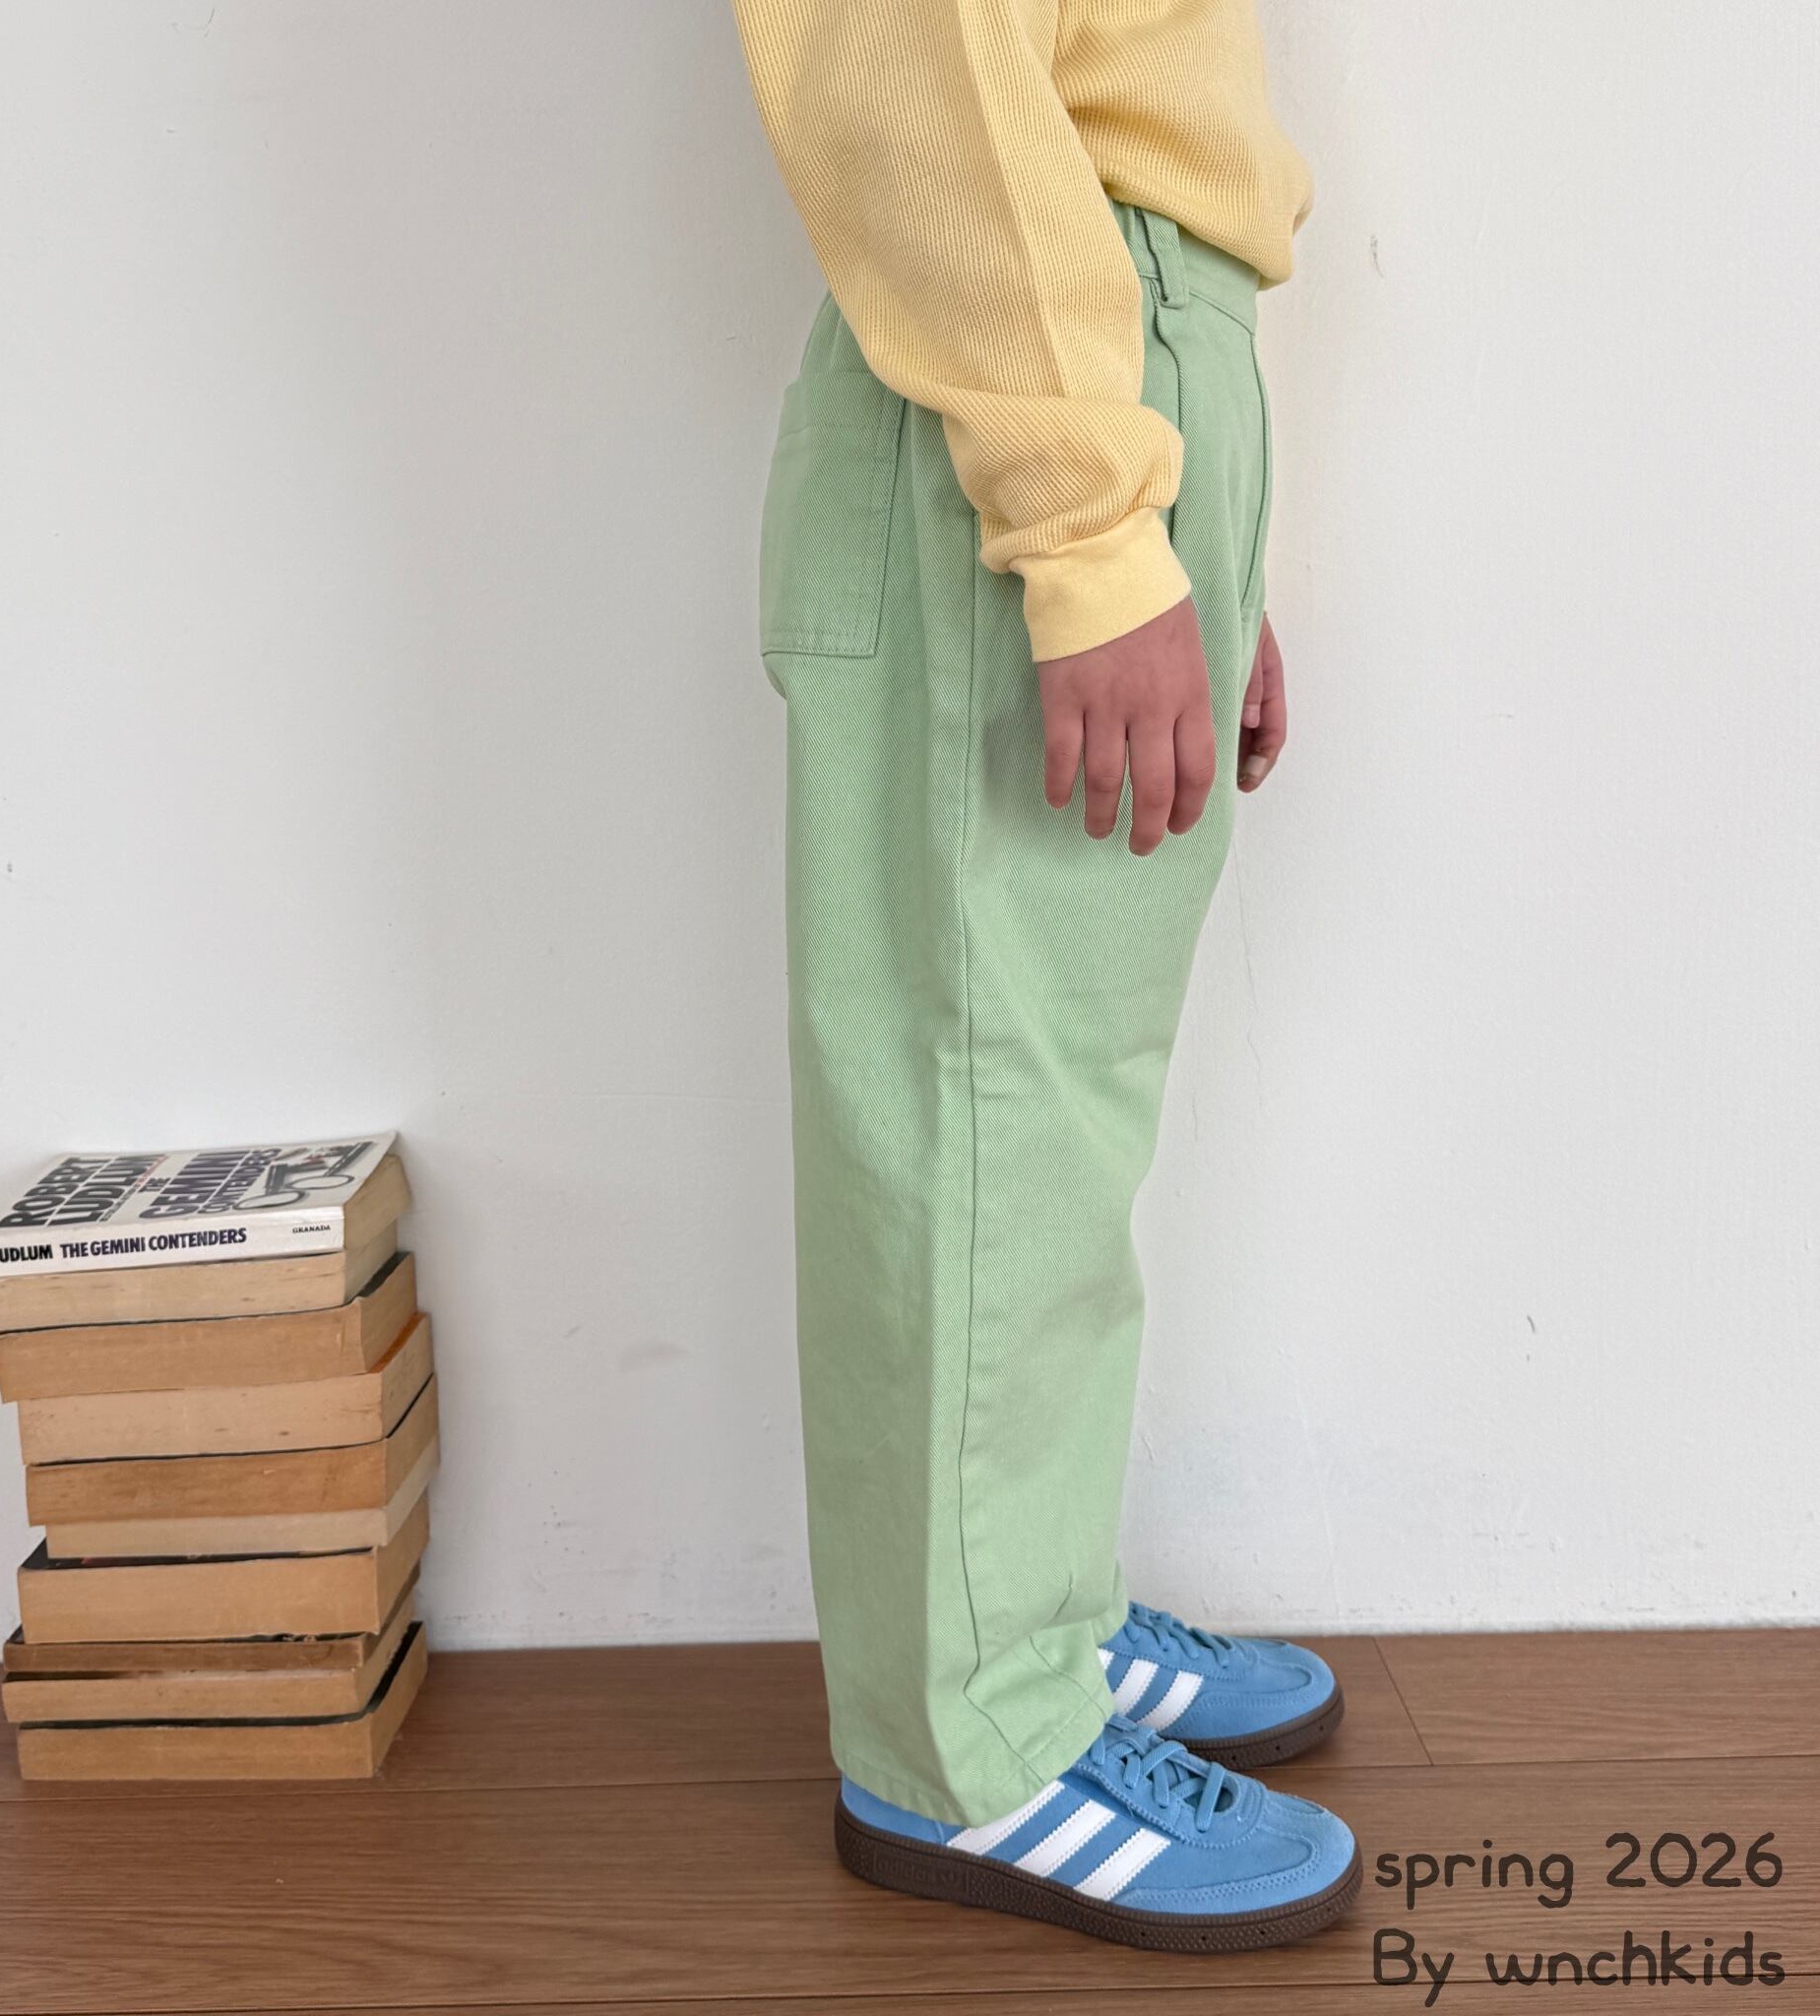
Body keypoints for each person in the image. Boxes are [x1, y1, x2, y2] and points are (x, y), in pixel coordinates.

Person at [729, 0, 1359, 1954]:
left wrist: (1186, 545)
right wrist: (1088, 533)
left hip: (1110, 366)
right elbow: (914, 62)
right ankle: (970, 1749)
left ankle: (1037, 1626)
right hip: (1029, 395)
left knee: (1046, 1123)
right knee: (976, 1107)